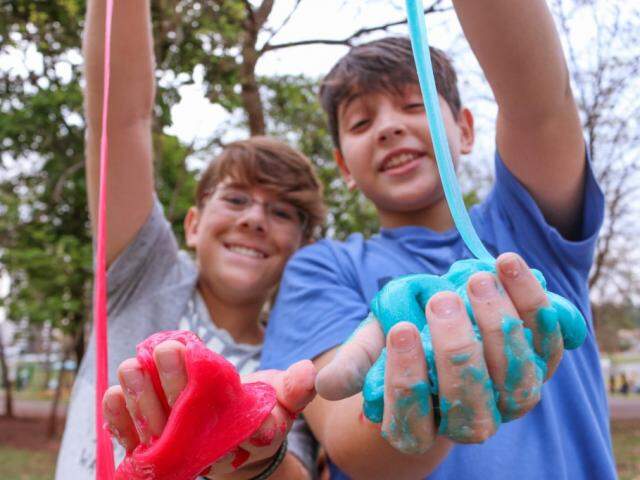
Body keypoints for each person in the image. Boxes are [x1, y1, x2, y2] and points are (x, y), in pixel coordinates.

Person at [259, 2, 617, 479]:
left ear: (466, 129)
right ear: (344, 168)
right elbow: (351, 444)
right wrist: (431, 386)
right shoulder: (321, 267)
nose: (389, 127)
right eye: (362, 123)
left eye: (415, 104)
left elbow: (540, 102)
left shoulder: (525, 225)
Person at [55, 0, 325, 478]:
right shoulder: (145, 272)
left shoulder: (301, 350)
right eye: (237, 199)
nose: (255, 219)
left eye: (283, 211)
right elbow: (121, 119)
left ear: (300, 247)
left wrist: (253, 455)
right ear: (194, 224)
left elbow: (298, 470)